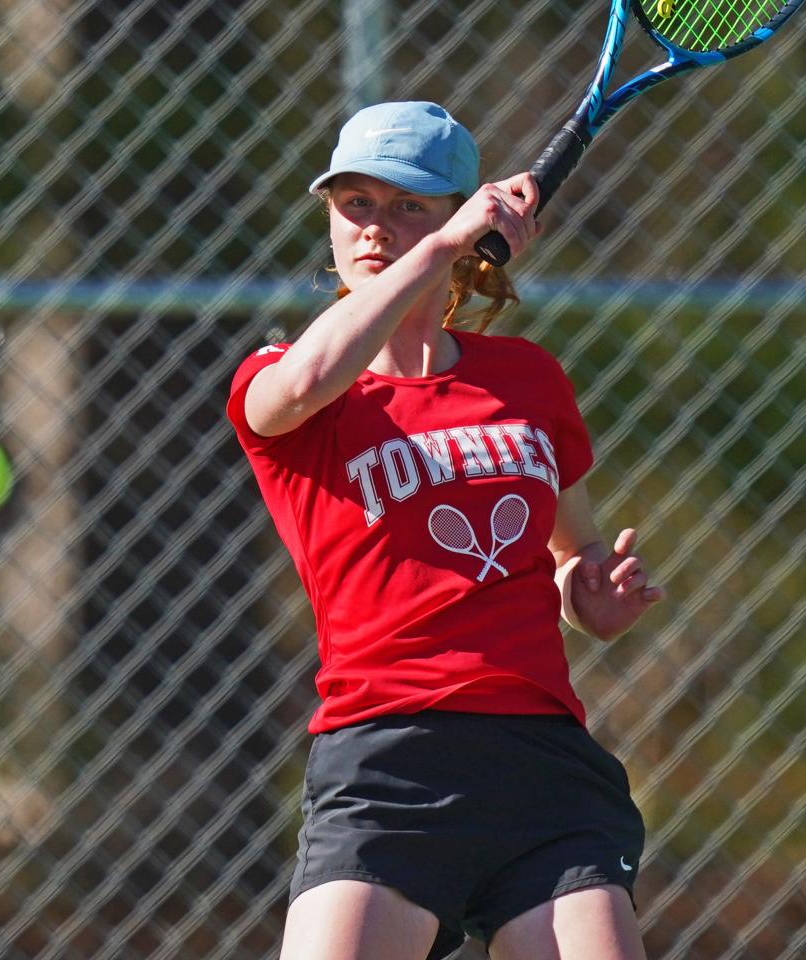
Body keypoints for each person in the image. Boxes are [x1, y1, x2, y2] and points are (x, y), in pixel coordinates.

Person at [226, 101, 664, 960]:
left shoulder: (527, 378)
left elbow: (571, 550)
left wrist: (591, 599)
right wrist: (437, 246)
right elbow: (313, 374)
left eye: (408, 207)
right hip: (387, 762)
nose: (375, 229)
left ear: (465, 215)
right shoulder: (282, 379)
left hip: (540, 764)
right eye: (354, 204)